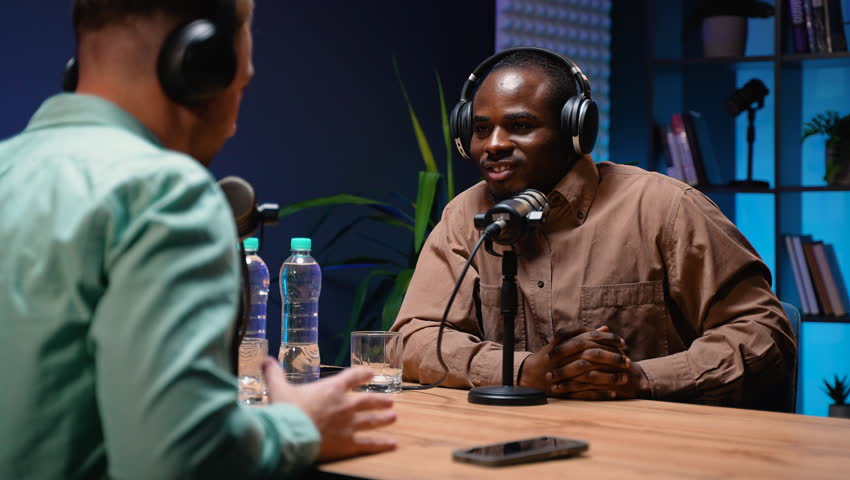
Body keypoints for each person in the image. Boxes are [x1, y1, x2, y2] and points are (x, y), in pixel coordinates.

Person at [0, 1, 395, 478]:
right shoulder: (166, 193)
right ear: (197, 65)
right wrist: (298, 425)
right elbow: (178, 461)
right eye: (241, 85)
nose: (233, 124)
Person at [392, 48, 797, 410]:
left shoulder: (666, 208)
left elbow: (766, 336)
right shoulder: (466, 216)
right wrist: (522, 371)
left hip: (653, 451)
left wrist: (640, 378)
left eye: (519, 125)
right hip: (513, 446)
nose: (493, 144)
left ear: (576, 132)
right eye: (481, 129)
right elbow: (412, 339)